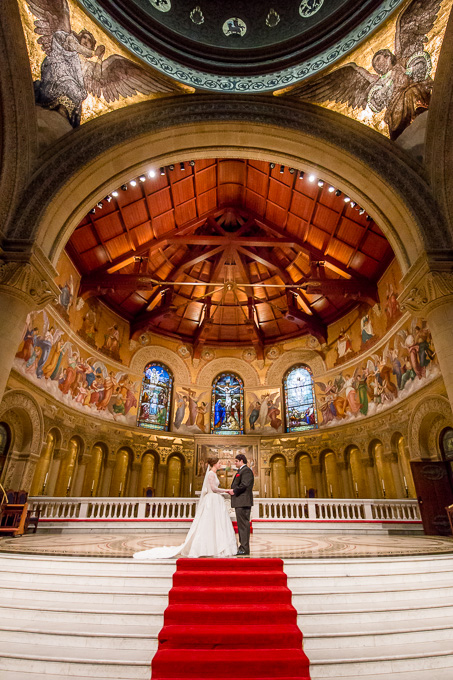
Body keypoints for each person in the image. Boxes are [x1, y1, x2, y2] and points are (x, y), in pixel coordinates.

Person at [133, 457, 237, 559]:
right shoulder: (210, 474)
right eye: (219, 463)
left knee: (216, 523)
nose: (220, 464)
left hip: (215, 500)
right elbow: (213, 488)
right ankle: (207, 547)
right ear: (214, 464)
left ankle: (215, 545)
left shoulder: (213, 474)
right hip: (212, 500)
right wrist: (226, 490)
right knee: (209, 523)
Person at [226, 453, 254, 556]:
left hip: (243, 501)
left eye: (236, 461)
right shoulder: (241, 471)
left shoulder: (246, 471)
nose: (235, 463)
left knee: (243, 526)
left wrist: (234, 491)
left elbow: (244, 484)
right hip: (241, 502)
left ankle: (244, 548)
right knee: (242, 526)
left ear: (241, 461)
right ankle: (242, 547)